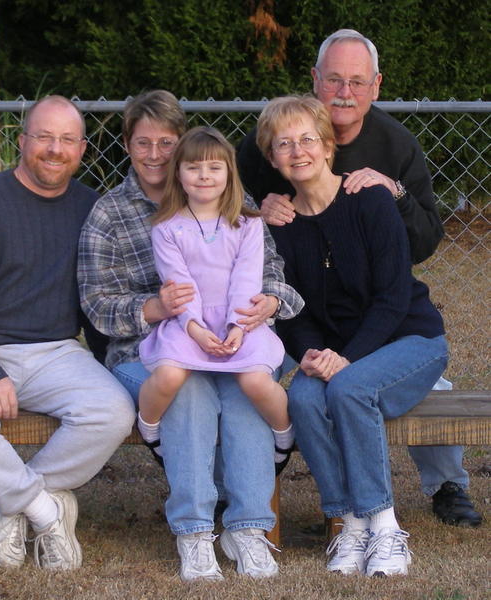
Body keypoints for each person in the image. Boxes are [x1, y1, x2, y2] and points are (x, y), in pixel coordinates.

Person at [237, 28, 481, 528]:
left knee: (392, 378)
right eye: (333, 80)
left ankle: (444, 484)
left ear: (376, 85)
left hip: (382, 308)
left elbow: (426, 239)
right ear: (315, 81)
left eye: (356, 81)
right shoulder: (269, 142)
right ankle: (247, 493)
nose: (344, 92)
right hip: (308, 306)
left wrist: (394, 195)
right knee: (273, 379)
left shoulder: (395, 146)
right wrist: (257, 209)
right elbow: (228, 212)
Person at [78, 90, 303, 581]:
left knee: (243, 395)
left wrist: (269, 301)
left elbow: (269, 271)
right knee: (191, 392)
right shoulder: (110, 213)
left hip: (231, 340)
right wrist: (154, 308)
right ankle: (196, 531)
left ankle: (247, 526)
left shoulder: (231, 205)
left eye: (166, 142)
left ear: (182, 147)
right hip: (148, 350)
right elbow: (96, 306)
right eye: (143, 143)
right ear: (126, 145)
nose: (155, 154)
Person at [0, 96, 135, 570]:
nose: (54, 149)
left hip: (56, 351)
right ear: (22, 142)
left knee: (113, 410)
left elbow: (96, 294)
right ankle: (42, 509)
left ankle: (5, 500)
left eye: (66, 140)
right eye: (43, 137)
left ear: (82, 149)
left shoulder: (89, 208)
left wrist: (112, 362)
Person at [256, 94, 449, 576]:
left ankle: (384, 527)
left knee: (348, 388)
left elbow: (392, 297)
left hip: (409, 339)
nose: (298, 151)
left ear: (326, 146)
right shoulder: (281, 224)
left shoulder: (370, 199)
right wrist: (310, 354)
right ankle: (350, 524)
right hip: (335, 351)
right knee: (301, 397)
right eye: (284, 144)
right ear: (272, 157)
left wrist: (347, 360)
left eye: (307, 139)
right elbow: (290, 311)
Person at [138, 126, 293, 473]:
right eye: (193, 168)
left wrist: (237, 326)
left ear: (229, 173)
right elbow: (178, 282)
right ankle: (150, 428)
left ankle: (284, 435)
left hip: (239, 319)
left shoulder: (248, 224)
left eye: (214, 167)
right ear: (178, 173)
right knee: (169, 376)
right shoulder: (166, 228)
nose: (204, 175)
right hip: (188, 321)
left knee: (254, 380)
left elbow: (247, 277)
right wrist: (194, 329)